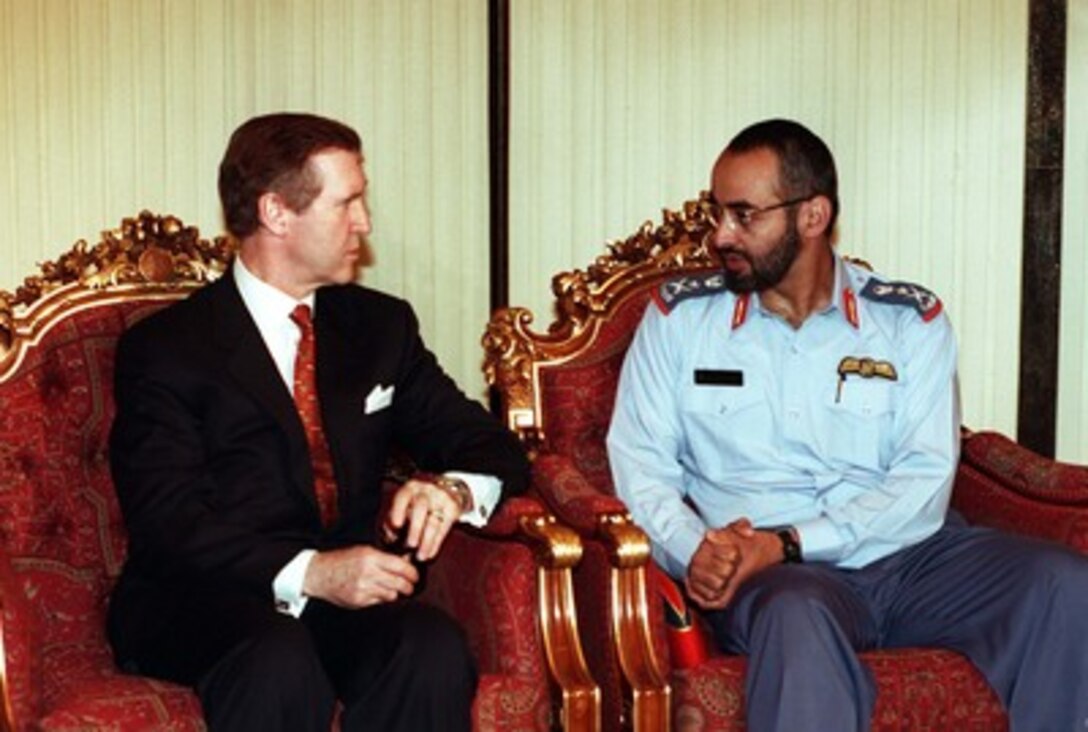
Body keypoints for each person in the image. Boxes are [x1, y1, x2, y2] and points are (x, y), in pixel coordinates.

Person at [606, 118, 1088, 730]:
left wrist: (791, 539)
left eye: (743, 215)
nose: (719, 235)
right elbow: (640, 464)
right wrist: (697, 550)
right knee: (796, 615)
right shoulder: (679, 322)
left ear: (812, 216)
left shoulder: (909, 323)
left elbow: (924, 482)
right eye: (716, 213)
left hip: (910, 559)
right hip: (776, 578)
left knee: (1065, 586)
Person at [107, 112, 529, 731]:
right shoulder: (167, 349)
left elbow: (493, 446)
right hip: (202, 598)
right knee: (278, 659)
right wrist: (313, 573)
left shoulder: (379, 329)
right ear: (277, 213)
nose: (365, 222)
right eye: (348, 202)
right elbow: (169, 521)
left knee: (429, 646)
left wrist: (451, 488)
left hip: (342, 595)